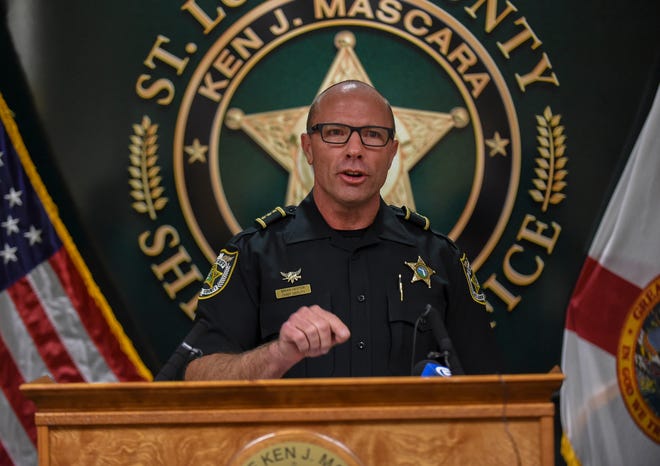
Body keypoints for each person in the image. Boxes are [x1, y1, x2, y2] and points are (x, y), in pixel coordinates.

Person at [176, 80, 499, 381]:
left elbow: (489, 387)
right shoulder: (255, 254)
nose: (354, 150)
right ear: (308, 148)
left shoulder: (440, 258)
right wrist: (277, 354)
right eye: (335, 132)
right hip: (296, 444)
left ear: (392, 152)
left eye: (372, 135)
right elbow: (196, 375)